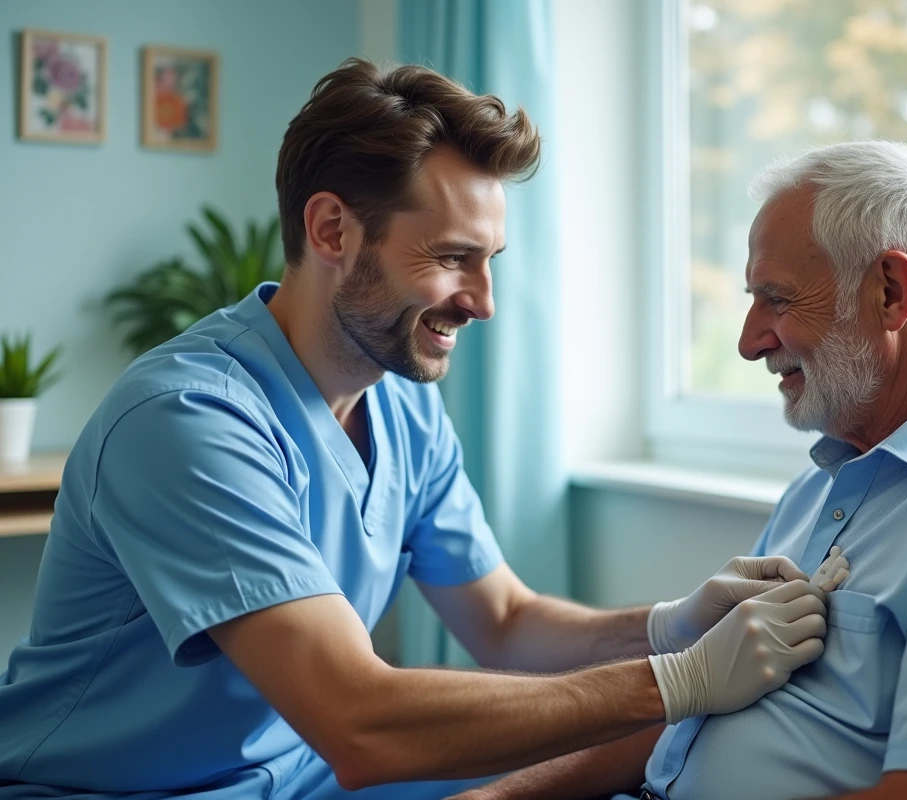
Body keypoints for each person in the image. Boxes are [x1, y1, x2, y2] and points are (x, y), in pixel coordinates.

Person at [0, 60, 841, 800]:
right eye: (450, 258)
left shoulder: (401, 400)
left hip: (302, 778)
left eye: (489, 262)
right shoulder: (187, 420)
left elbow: (504, 622)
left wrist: (670, 623)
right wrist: (682, 680)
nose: (482, 302)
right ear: (332, 230)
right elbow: (359, 722)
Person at [454, 141, 907, 800]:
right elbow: (681, 717)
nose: (750, 341)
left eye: (776, 299)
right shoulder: (827, 482)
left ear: (890, 293)